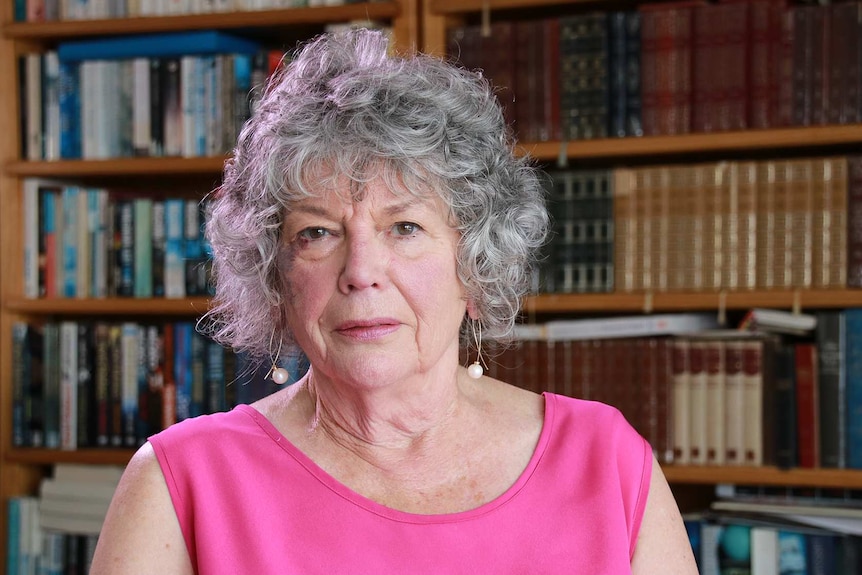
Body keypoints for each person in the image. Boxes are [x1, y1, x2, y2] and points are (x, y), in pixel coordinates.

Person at [90, 28, 699, 574]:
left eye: (404, 228)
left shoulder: (606, 461)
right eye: (317, 233)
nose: (360, 273)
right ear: (275, 275)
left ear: (474, 262)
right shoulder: (181, 483)